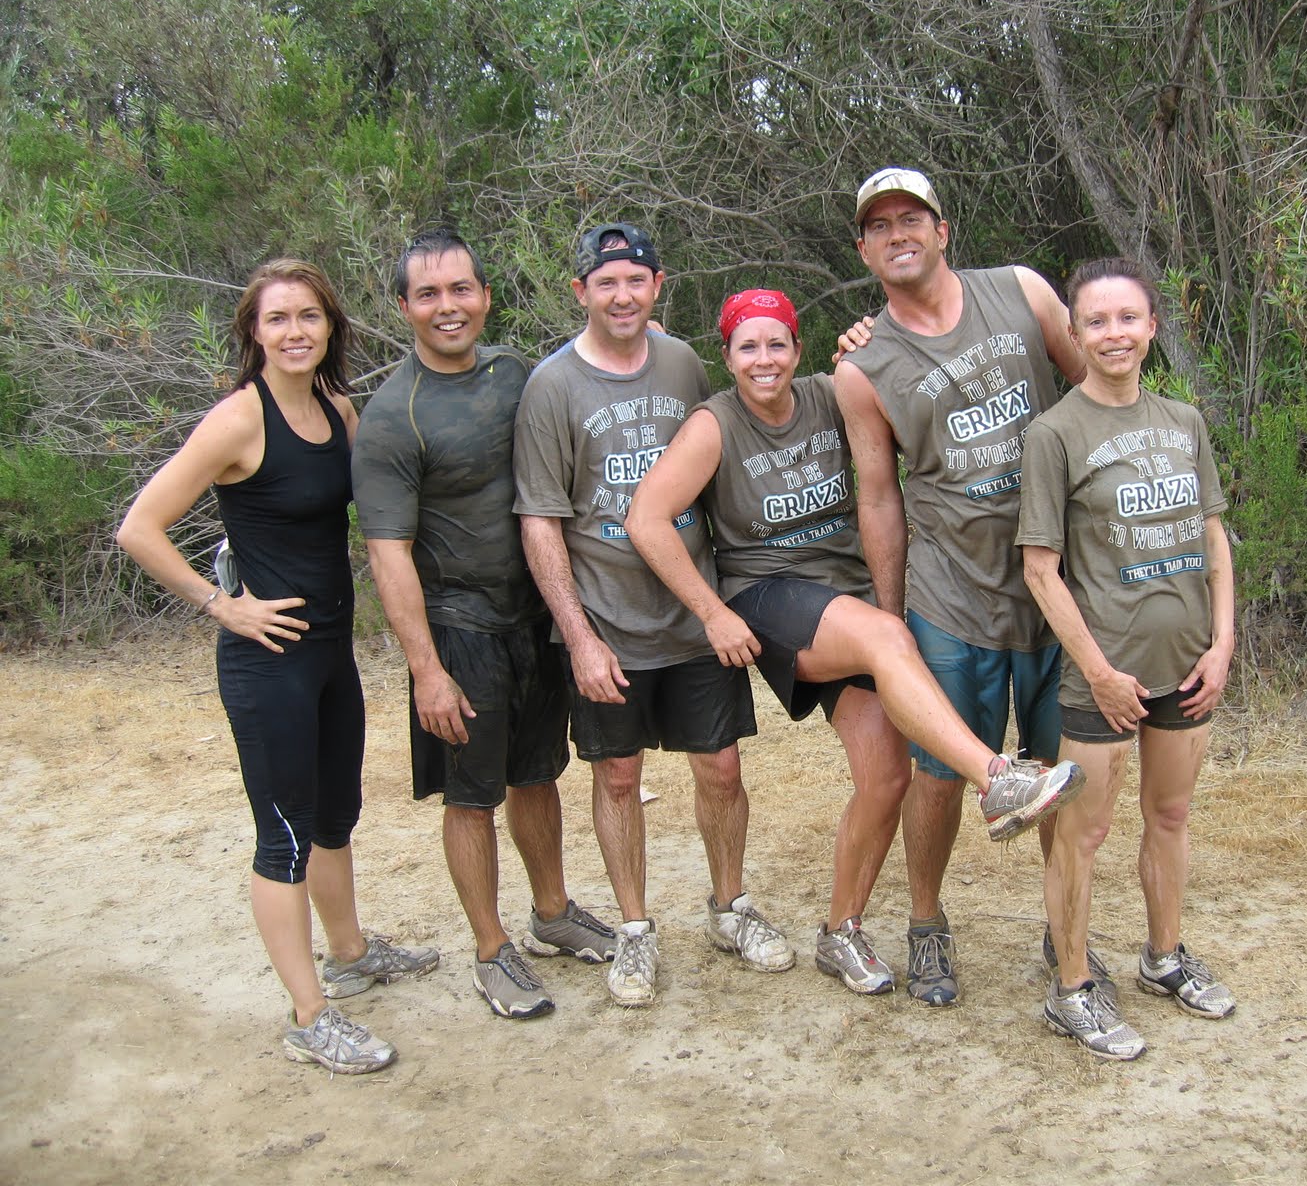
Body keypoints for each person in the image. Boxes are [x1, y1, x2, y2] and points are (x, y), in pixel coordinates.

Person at [626, 288, 1082, 995]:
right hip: (770, 596)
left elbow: (886, 406)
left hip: (847, 596)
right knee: (887, 634)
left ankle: (841, 931)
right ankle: (997, 779)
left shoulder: (826, 394)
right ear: (727, 357)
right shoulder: (714, 426)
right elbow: (646, 518)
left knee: (887, 778)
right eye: (748, 346)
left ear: (799, 349)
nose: (764, 358)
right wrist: (711, 612)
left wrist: (872, 341)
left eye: (778, 343)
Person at [116, 259, 437, 1075]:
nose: (295, 331)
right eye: (277, 319)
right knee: (285, 836)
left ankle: (352, 954)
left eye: (309, 317)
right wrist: (220, 603)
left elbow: (384, 504)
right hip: (269, 665)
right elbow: (140, 528)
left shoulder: (338, 410)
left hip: (330, 652)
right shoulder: (238, 421)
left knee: (336, 816)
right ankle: (308, 1014)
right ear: (253, 333)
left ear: (330, 326)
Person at [515, 225, 797, 1009]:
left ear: (658, 284)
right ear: (580, 292)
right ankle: (635, 931)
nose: (622, 296)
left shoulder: (680, 363)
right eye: (605, 283)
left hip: (692, 617)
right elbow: (541, 520)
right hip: (608, 624)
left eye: (635, 280)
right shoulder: (551, 387)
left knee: (723, 769)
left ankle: (729, 907)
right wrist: (576, 637)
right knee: (617, 778)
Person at [833, 167, 1089, 1006]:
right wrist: (889, 615)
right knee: (940, 775)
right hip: (953, 593)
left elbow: (1097, 390)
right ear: (865, 249)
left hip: (1058, 582)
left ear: (944, 231)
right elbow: (878, 494)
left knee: (1058, 769)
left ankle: (1067, 935)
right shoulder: (862, 368)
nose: (899, 233)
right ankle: (926, 922)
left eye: (914, 217)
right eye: (880, 225)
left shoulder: (1020, 292)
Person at [352, 228, 616, 1022]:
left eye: (460, 289)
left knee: (537, 776)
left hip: (534, 616)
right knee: (472, 797)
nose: (447, 307)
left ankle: (552, 913)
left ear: (485, 296)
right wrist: (427, 669)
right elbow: (388, 557)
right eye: (428, 294)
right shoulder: (393, 418)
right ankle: (492, 950)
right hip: (459, 628)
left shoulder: (515, 375)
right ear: (403, 307)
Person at [1018, 256, 1237, 1060]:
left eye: (1128, 319)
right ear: (1073, 333)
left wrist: (1223, 644)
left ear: (1152, 327)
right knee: (1084, 833)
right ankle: (1071, 987)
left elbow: (1212, 532)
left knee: (1171, 814)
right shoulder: (1055, 434)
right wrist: (1100, 673)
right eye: (1096, 321)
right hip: (1099, 676)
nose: (1114, 334)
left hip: (1185, 664)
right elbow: (1040, 567)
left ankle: (1163, 958)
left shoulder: (1184, 423)